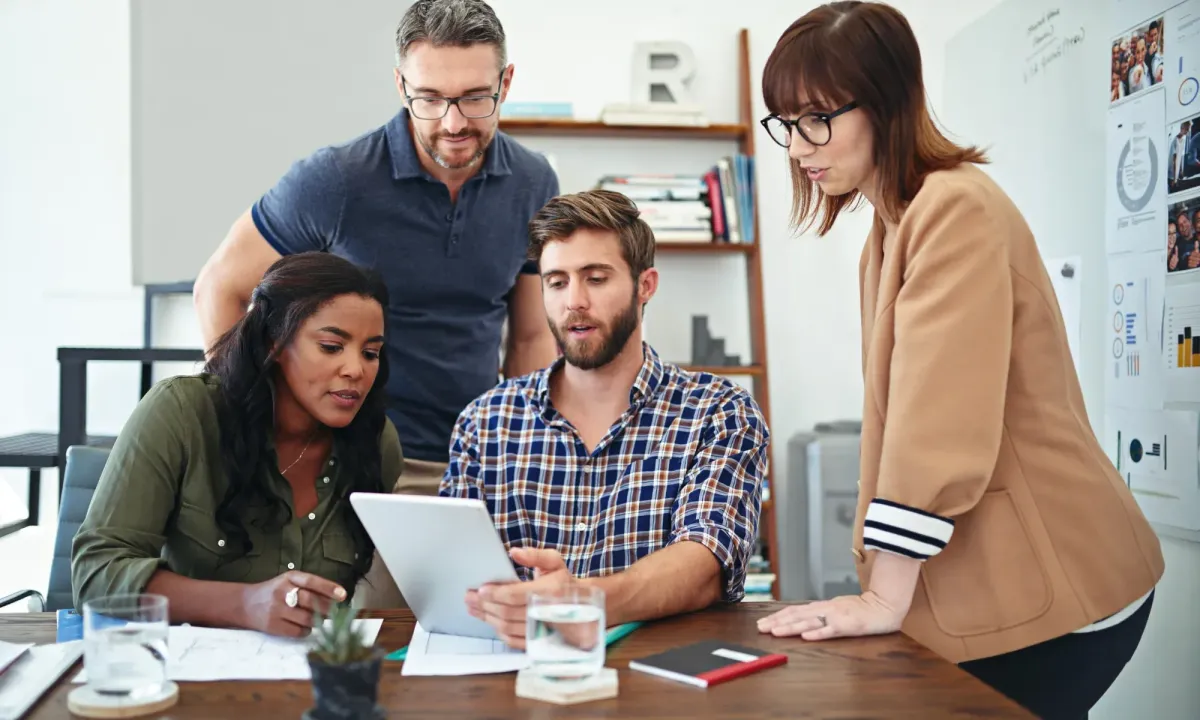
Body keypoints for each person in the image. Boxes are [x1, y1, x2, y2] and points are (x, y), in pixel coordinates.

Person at [753, 4, 1163, 719]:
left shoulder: (953, 209)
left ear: (884, 103)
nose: (797, 146)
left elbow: (934, 422)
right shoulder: (893, 225)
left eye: (817, 118)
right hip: (1002, 577)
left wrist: (884, 595)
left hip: (1058, 577)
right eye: (786, 123)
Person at [192, 0, 559, 502]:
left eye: (475, 98)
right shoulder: (336, 181)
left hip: (481, 460)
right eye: (429, 98)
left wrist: (527, 449)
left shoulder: (534, 182)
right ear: (401, 87)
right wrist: (253, 424)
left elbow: (531, 337)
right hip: (354, 461)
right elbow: (219, 288)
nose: (453, 123)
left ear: (506, 82)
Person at [438, 190, 770, 649]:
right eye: (556, 282)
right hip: (510, 679)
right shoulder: (485, 422)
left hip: (660, 681)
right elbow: (452, 574)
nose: (574, 301)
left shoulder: (719, 412)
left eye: (595, 279)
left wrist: (581, 601)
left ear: (645, 285)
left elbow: (704, 566)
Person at [72, 252, 404, 637]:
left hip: (319, 677)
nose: (356, 369)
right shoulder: (182, 414)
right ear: (272, 344)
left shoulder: (376, 442)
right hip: (185, 674)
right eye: (332, 346)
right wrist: (244, 604)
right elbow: (96, 572)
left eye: (371, 352)